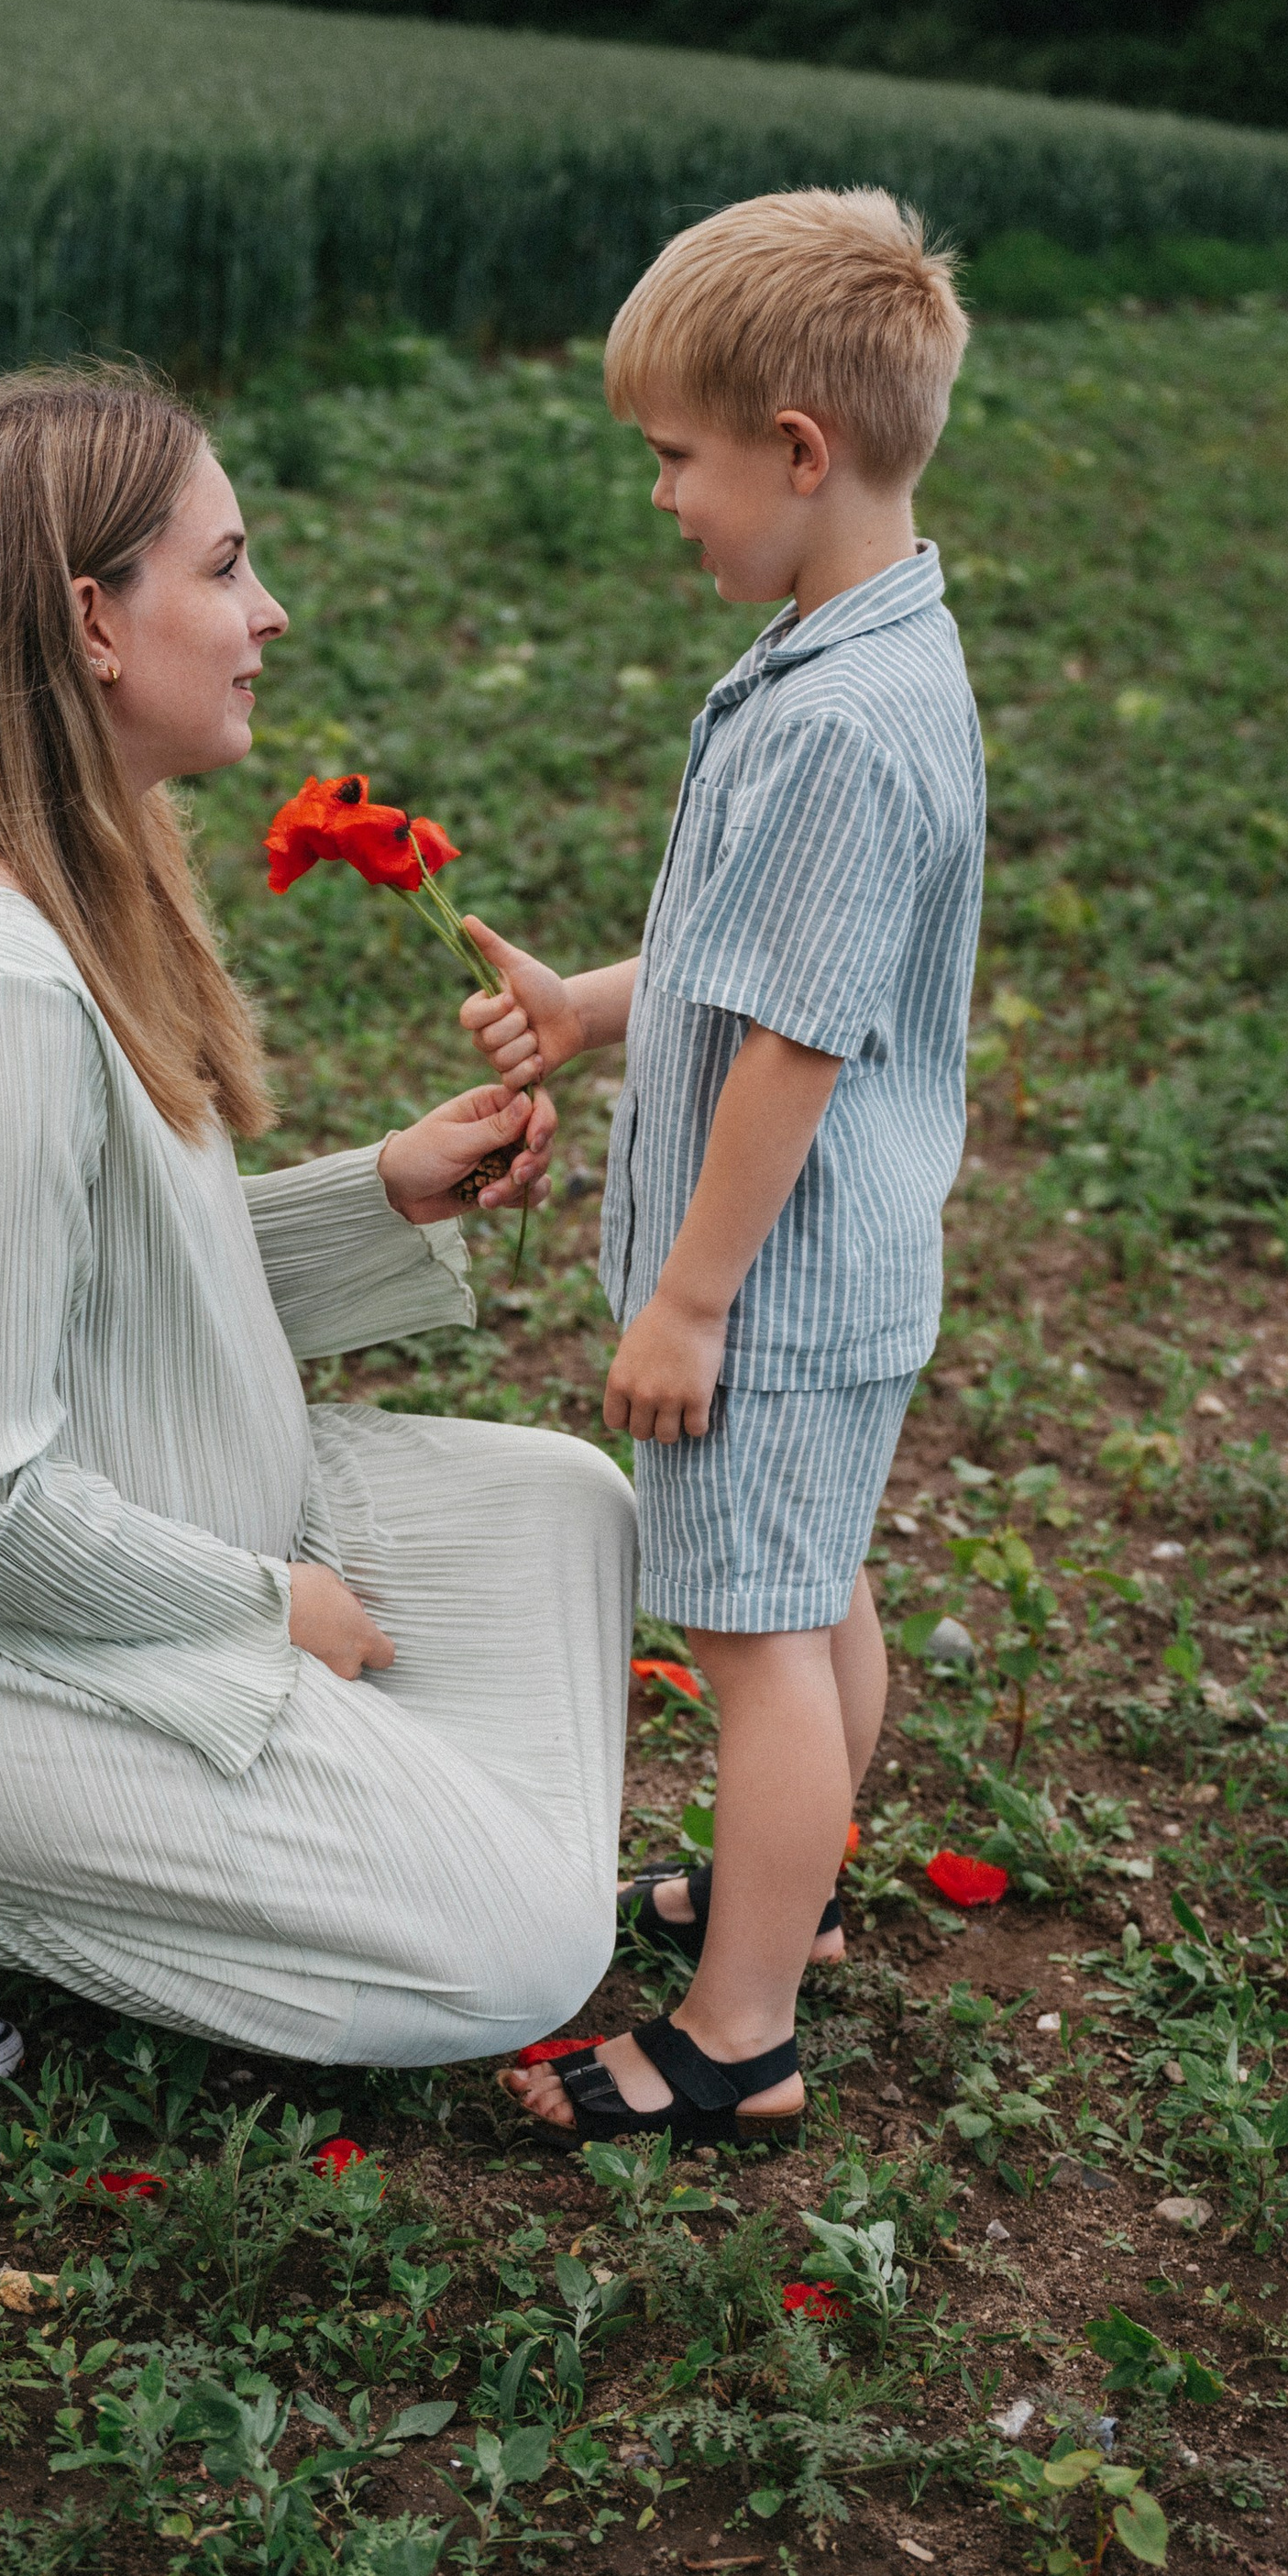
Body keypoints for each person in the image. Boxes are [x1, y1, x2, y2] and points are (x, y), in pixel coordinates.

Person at [0, 367, 637, 2096]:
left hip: (152, 1493)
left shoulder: (65, 872)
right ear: (92, 619)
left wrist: (384, 1189)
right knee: (522, 1947)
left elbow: (124, 1293)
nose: (267, 611)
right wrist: (263, 1610)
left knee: (563, 1511)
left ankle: (280, 1819)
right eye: (226, 568)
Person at [458, 188, 983, 2153]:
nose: (662, 496)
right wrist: (598, 1008)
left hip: (771, 1285)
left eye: (674, 458)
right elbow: (766, 952)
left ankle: (734, 2028)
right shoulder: (859, 646)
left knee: (753, 1643)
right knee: (813, 1586)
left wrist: (684, 1296)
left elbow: (797, 1039)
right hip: (837, 1277)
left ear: (793, 449)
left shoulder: (839, 722)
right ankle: (801, 1891)